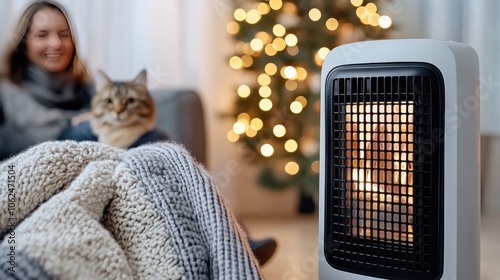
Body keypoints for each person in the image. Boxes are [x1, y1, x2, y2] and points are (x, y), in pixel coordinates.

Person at [0, 0, 93, 161]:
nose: (56, 43)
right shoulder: (5, 93)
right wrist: (72, 122)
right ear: (23, 44)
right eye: (42, 35)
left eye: (64, 35)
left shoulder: (89, 89)